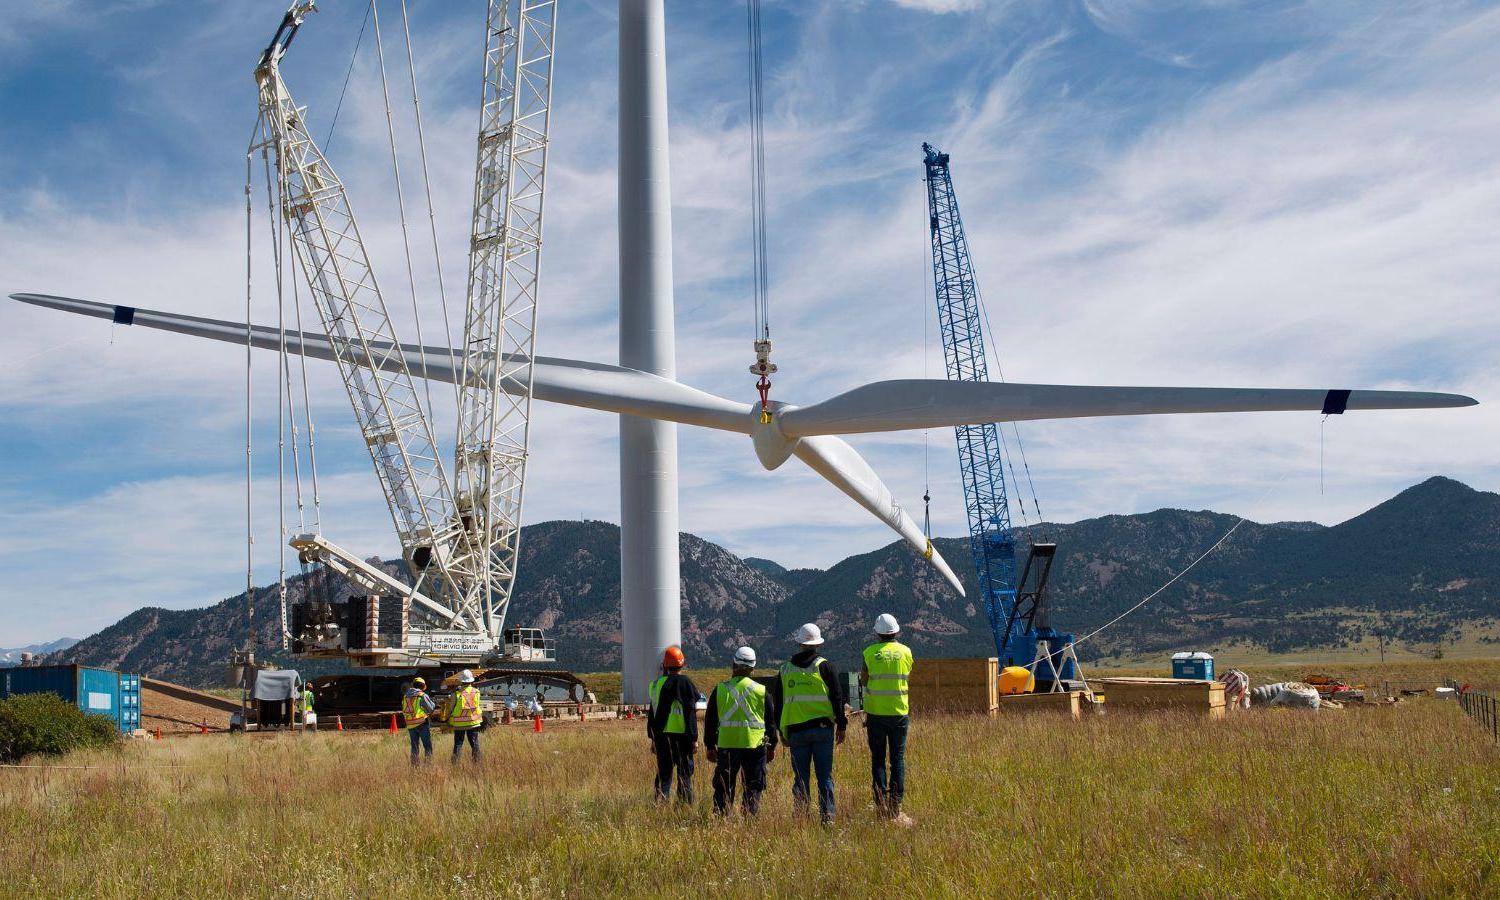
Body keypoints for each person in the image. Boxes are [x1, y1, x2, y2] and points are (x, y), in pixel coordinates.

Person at [770, 622, 846, 824]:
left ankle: (801, 818)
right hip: (822, 730)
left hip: (796, 732)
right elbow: (837, 697)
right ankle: (827, 817)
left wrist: (781, 731)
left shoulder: (785, 670)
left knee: (800, 778)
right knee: (824, 777)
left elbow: (778, 703)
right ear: (817, 644)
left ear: (800, 643)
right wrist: (842, 725)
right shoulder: (825, 666)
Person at [706, 646, 777, 816]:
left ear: (733, 664)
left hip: (727, 745)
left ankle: (722, 818)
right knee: (753, 786)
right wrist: (772, 745)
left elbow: (710, 720)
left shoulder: (720, 690)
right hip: (754, 745)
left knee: (724, 786)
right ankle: (749, 820)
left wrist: (709, 745)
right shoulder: (762, 691)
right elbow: (771, 723)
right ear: (753, 667)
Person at [860, 613, 914, 826]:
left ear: (877, 632)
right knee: (897, 759)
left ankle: (880, 804)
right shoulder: (906, 652)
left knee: (878, 760)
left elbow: (864, 680)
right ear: (897, 631)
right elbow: (908, 674)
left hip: (875, 714)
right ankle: (896, 806)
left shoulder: (869, 653)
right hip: (899, 712)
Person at [647, 644, 699, 804]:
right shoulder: (686, 683)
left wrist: (653, 738)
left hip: (662, 737)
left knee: (664, 775)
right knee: (684, 775)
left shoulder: (655, 685)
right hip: (683, 737)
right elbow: (690, 713)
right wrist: (694, 738)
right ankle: (684, 806)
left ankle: (660, 805)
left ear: (665, 665)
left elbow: (652, 714)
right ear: (682, 664)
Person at [445, 670, 483, 764]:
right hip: (473, 723)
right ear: (471, 681)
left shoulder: (456, 694)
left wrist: (447, 718)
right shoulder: (477, 692)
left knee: (458, 744)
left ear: (461, 681)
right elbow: (477, 705)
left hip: (459, 724)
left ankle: (455, 765)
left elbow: (451, 708)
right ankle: (477, 764)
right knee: (475, 744)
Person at [403, 676, 436, 766]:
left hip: (410, 724)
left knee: (414, 747)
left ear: (413, 685)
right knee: (427, 746)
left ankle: (414, 766)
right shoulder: (422, 695)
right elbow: (431, 708)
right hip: (422, 723)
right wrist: (432, 702)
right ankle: (428, 765)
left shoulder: (406, 696)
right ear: (422, 686)